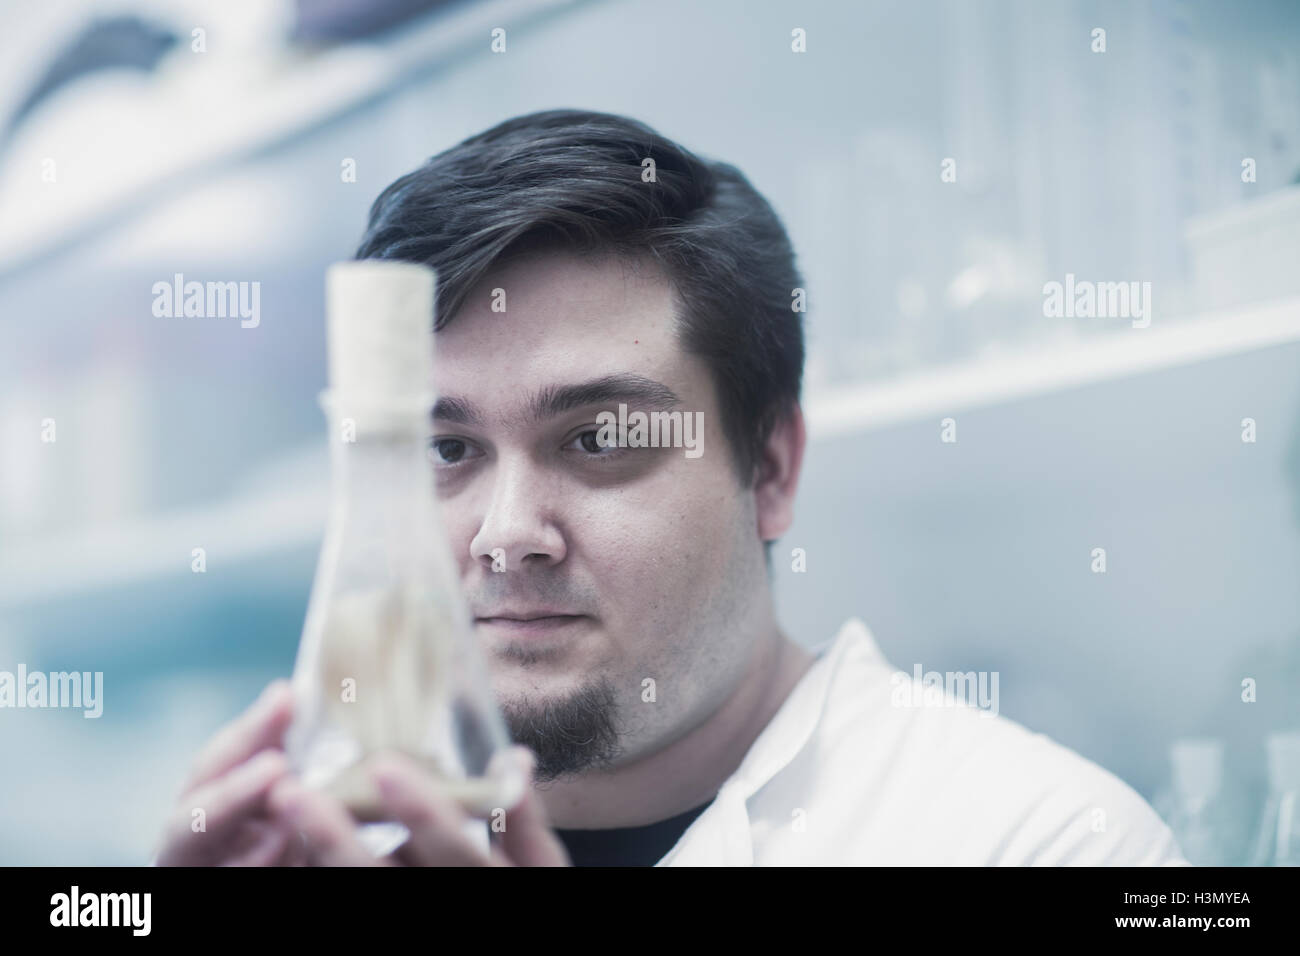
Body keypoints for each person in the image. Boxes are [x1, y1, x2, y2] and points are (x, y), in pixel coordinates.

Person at [154, 109, 1186, 867]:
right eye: (446, 449)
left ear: (771, 468)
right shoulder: (320, 840)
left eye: (600, 436)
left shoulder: (1050, 843)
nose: (508, 535)